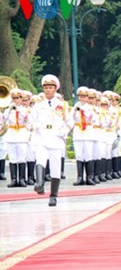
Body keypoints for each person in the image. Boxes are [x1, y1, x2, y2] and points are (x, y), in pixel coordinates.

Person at [31, 74, 73, 206]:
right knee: (40, 159)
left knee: (55, 168)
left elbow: (70, 122)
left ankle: (53, 195)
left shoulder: (63, 105)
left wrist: (64, 131)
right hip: (41, 137)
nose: (48, 90)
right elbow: (31, 120)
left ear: (55, 89)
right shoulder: (38, 106)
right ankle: (39, 183)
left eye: (50, 87)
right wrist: (34, 126)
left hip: (55, 137)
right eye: (46, 87)